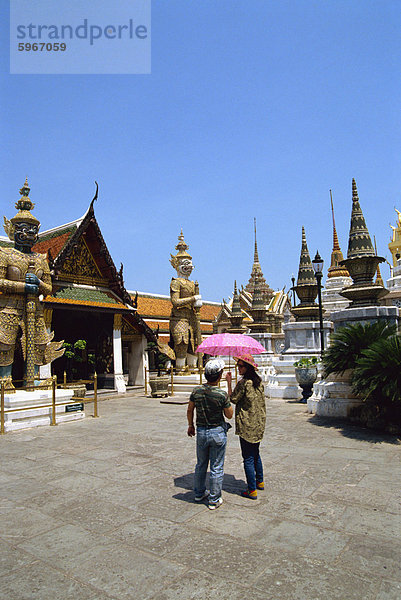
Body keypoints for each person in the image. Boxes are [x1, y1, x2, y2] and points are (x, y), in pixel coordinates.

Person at [187, 358, 233, 510]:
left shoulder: (196, 391)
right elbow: (229, 415)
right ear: (219, 375)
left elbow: (190, 410)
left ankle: (199, 493)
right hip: (217, 431)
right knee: (216, 466)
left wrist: (190, 426)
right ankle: (214, 499)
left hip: (201, 431)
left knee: (201, 464)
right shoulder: (221, 394)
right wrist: (229, 387)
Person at [226, 353, 266, 500]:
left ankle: (252, 490)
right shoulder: (258, 382)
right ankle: (259, 481)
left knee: (248, 457)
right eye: (238, 365)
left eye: (241, 366)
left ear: (247, 367)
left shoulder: (244, 383)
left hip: (247, 424)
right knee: (256, 453)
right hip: (258, 423)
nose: (238, 368)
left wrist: (229, 383)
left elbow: (233, 399)